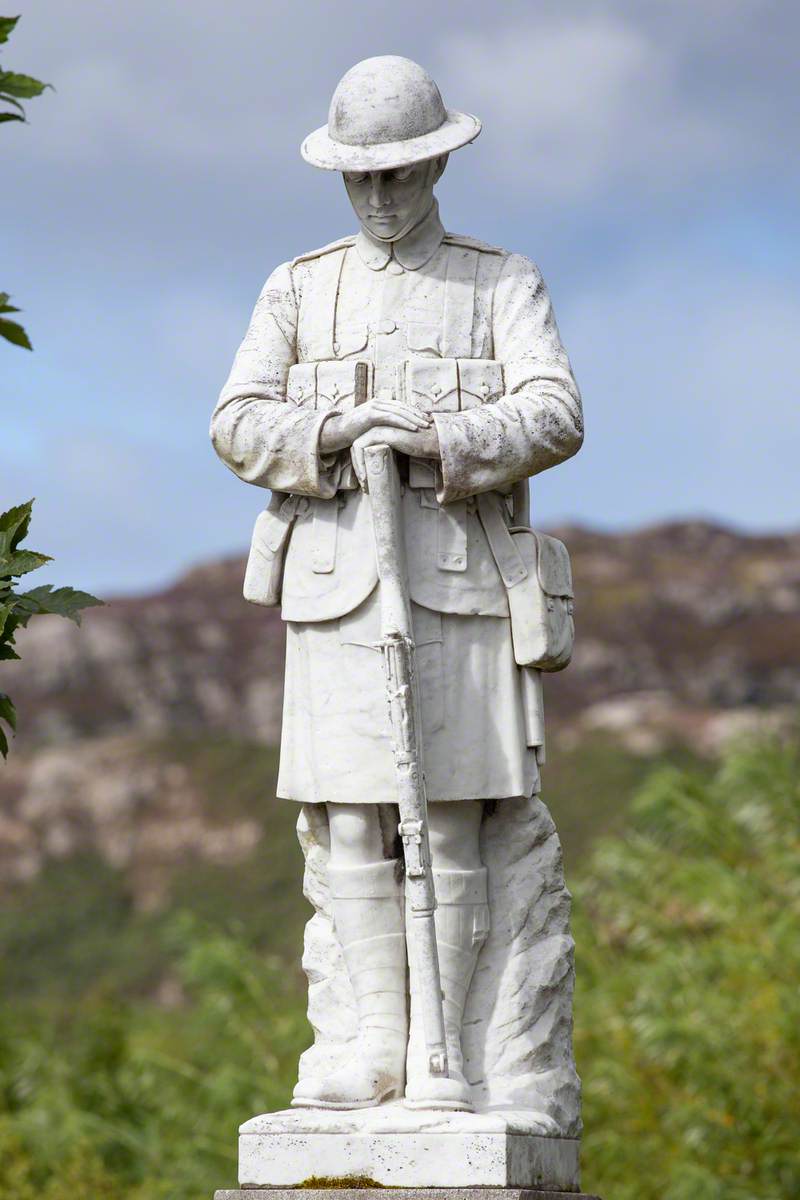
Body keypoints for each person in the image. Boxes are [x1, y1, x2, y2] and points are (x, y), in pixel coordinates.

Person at [210, 55, 583, 1113]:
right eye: (360, 178)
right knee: (345, 822)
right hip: (333, 589)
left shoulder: (498, 280)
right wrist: (331, 431)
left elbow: (554, 411)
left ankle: (448, 1056)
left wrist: (439, 442)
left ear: (436, 164)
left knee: (455, 817)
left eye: (399, 174)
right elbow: (234, 419)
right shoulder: (298, 286)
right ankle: (373, 1042)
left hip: (457, 587)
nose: (380, 197)